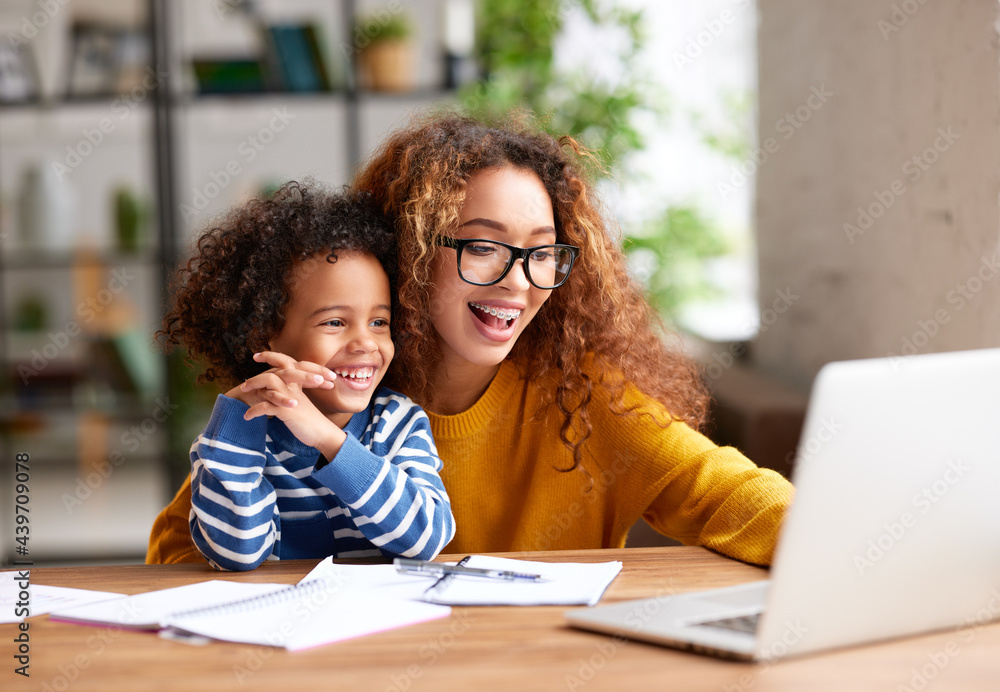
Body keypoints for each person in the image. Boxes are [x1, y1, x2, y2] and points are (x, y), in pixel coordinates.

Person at [148, 112, 793, 567]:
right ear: (410, 252)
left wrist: (863, 545)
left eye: (541, 253)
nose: (518, 282)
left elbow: (730, 495)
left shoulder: (586, 397)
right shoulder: (338, 386)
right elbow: (181, 547)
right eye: (483, 247)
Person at [155, 182, 454, 571]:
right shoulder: (239, 436)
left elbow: (426, 539)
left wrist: (328, 440)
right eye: (335, 322)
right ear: (264, 333)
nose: (366, 342)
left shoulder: (398, 422)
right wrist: (234, 420)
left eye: (379, 321)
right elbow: (236, 553)